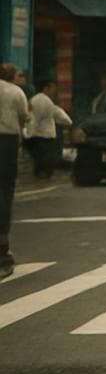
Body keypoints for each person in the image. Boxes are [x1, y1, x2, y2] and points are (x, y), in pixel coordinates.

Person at [0, 63, 30, 280]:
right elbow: (23, 118)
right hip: (7, 142)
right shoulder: (15, 91)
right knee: (4, 193)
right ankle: (2, 252)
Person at [24, 79, 71, 181]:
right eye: (53, 88)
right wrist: (29, 134)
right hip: (43, 136)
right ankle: (42, 177)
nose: (55, 91)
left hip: (42, 136)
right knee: (45, 160)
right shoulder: (42, 101)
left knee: (45, 160)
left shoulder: (43, 100)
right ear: (46, 88)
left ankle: (42, 176)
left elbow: (59, 115)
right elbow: (35, 119)